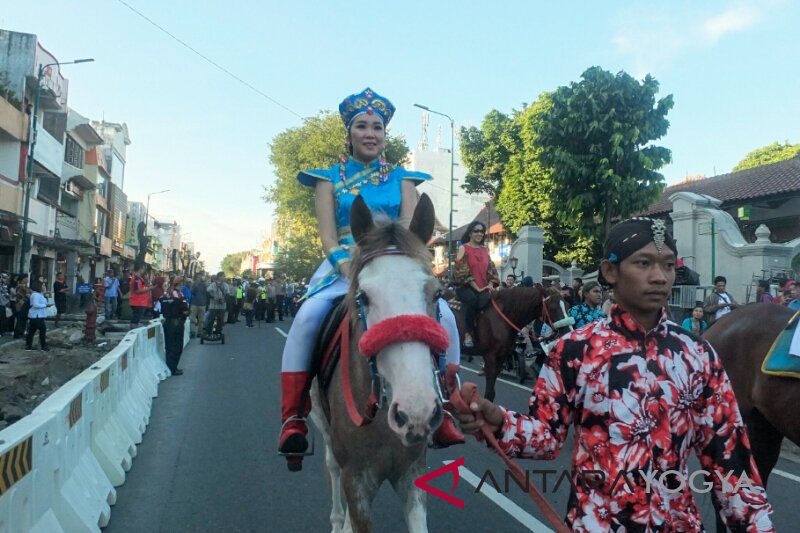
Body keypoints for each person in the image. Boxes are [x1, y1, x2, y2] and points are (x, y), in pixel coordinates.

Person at [454, 218, 774, 531]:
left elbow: (729, 458)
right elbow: (548, 436)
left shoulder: (697, 354)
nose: (659, 277)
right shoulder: (573, 350)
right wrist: (498, 421)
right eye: (644, 263)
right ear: (610, 272)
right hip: (594, 522)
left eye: (667, 266)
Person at [278, 88, 464, 471]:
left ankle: (446, 402)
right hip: (343, 265)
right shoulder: (326, 180)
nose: (370, 133)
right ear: (349, 133)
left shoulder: (404, 179)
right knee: (308, 317)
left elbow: (412, 235)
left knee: (444, 317)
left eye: (377, 127)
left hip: (394, 266)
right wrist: (350, 267)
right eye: (361, 126)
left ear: (385, 135)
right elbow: (329, 235)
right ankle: (293, 417)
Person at [453, 220, 500, 348]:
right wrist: (478, 288)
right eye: (476, 231)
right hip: (466, 287)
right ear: (470, 233)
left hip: (483, 287)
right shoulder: (463, 248)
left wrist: (490, 284)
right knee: (473, 299)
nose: (479, 233)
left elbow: (491, 270)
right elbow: (461, 272)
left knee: (494, 302)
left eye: (481, 231)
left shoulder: (485, 250)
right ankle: (468, 333)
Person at [160, 276, 190, 375]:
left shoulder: (166, 294)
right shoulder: (179, 295)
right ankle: (173, 368)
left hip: (167, 322)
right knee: (177, 347)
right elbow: (185, 310)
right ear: (179, 284)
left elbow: (162, 307)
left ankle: (170, 367)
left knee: (169, 347)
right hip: (177, 323)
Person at [26, 279, 53, 351]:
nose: (44, 287)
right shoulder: (35, 295)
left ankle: (28, 346)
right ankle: (43, 346)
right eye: (43, 285)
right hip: (37, 316)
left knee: (32, 331)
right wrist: (45, 305)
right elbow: (35, 305)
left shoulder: (39, 294)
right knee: (42, 330)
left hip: (38, 315)